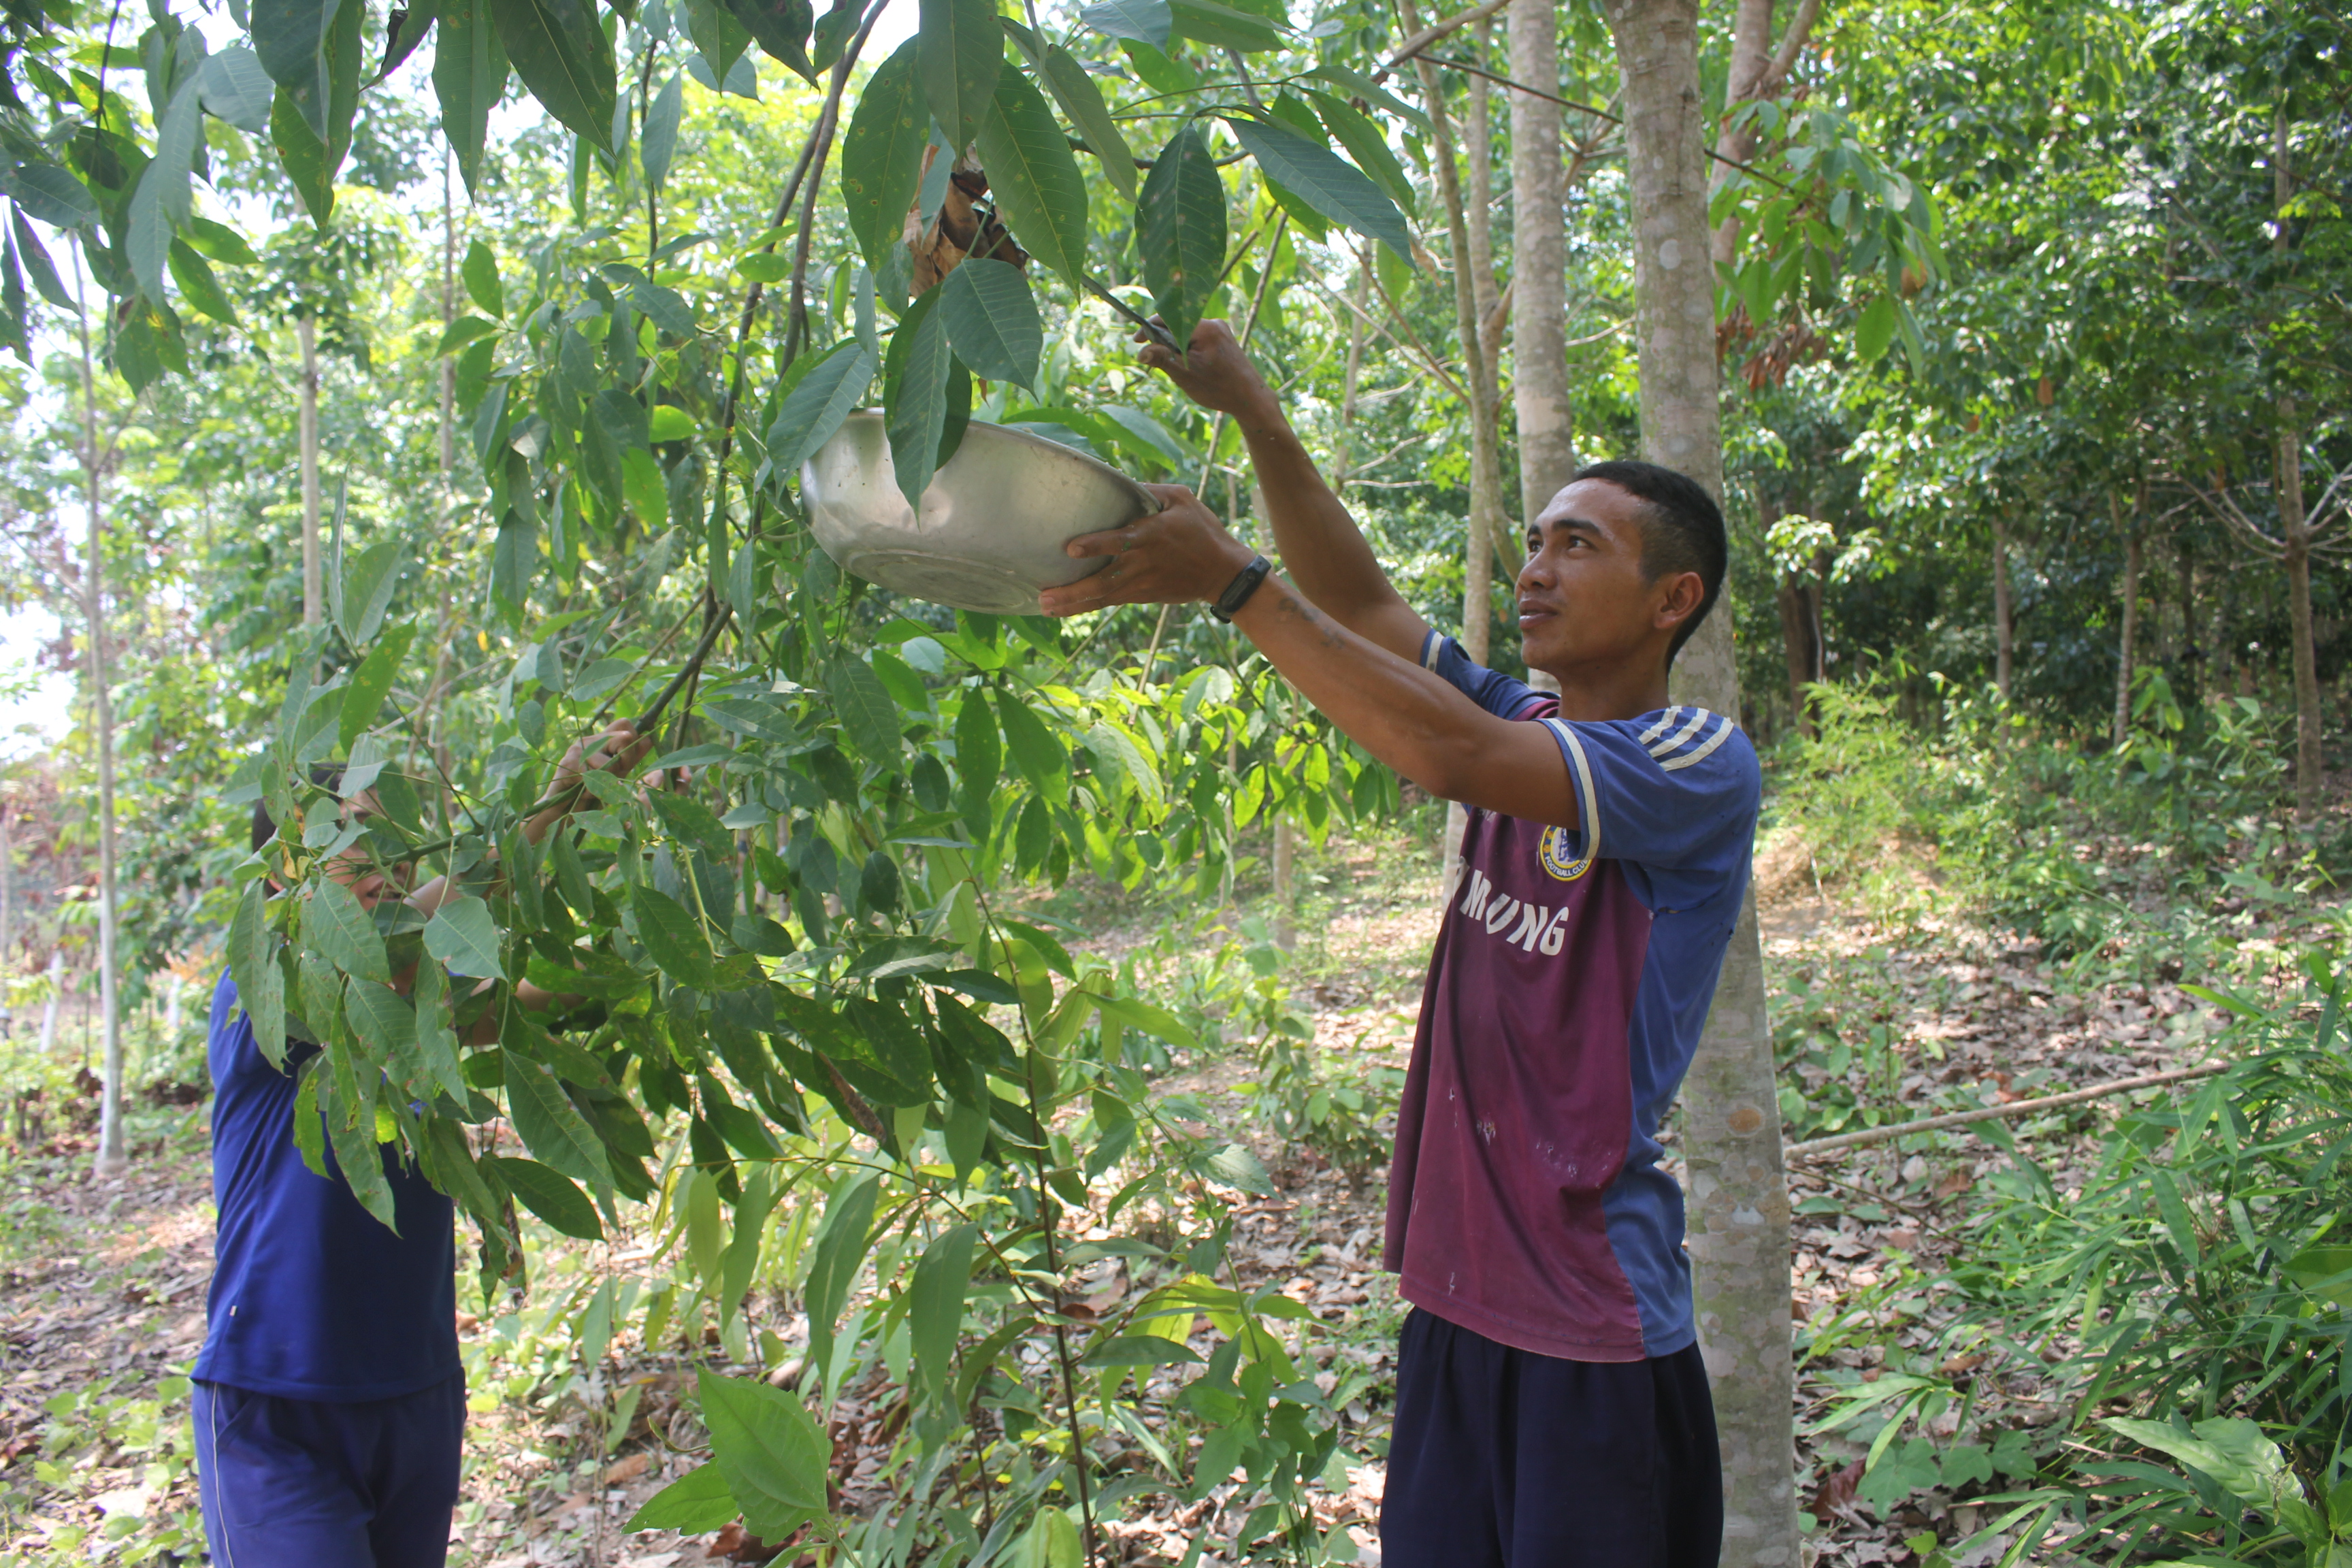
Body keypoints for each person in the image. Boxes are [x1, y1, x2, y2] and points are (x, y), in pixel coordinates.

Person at [1037, 321, 1760, 1568]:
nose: (1532, 567)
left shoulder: (1693, 762)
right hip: (1457, 1302)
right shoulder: (1518, 710)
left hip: (1592, 1324)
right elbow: (1365, 608)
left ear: (1672, 599)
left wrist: (1230, 582)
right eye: (1531, 538)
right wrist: (1255, 412)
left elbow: (1449, 755)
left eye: (1576, 545)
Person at [194, 723, 647, 1567]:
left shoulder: (411, 1008)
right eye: (352, 852)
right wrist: (543, 812)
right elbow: (402, 950)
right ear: (286, 880)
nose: (385, 874)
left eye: (393, 853)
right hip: (275, 1403)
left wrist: (647, 957)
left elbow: (509, 996)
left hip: (416, 1392)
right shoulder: (263, 983)